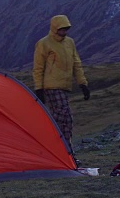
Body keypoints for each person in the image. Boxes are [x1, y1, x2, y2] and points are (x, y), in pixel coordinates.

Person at [33, 15, 90, 154]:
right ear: (54, 28)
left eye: (66, 29)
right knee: (65, 117)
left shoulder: (70, 43)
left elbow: (76, 63)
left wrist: (82, 83)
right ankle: (63, 150)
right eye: (61, 29)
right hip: (51, 86)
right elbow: (38, 67)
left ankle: (61, 149)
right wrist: (39, 88)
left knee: (62, 119)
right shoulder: (44, 43)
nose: (64, 32)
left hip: (64, 86)